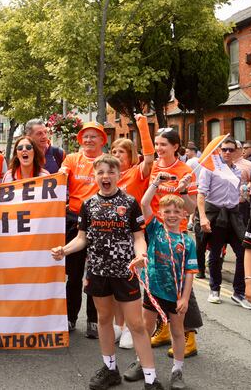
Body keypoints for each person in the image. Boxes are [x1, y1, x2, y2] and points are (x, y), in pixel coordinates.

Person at [51, 155, 162, 390]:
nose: (105, 177)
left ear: (118, 175)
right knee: (103, 319)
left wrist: (141, 255)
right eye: (101, 172)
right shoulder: (88, 205)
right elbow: (81, 239)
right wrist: (65, 250)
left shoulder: (130, 203)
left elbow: (139, 238)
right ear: (94, 176)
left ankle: (151, 380)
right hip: (98, 271)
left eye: (110, 172)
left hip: (125, 273)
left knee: (136, 325)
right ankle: (110, 369)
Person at [124, 180, 198, 389]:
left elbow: (190, 273)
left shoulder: (188, 242)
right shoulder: (155, 228)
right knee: (145, 328)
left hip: (175, 295)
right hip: (153, 290)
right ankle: (141, 363)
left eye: (177, 211)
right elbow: (145, 202)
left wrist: (184, 298)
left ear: (184, 215)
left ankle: (177, 371)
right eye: (167, 211)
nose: (172, 215)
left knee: (177, 331)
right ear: (160, 213)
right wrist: (156, 183)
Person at [146, 127, 201, 359]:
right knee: (158, 281)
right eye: (156, 144)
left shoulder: (186, 170)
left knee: (180, 285)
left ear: (175, 147)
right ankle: (165, 326)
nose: (158, 149)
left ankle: (189, 336)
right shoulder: (155, 168)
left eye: (163, 145)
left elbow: (191, 208)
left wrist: (186, 190)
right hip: (156, 233)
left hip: (177, 235)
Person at [108, 115, 154, 349]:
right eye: (114, 152)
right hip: (111, 236)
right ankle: (118, 325)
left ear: (131, 156)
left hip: (133, 235)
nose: (116, 156)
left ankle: (130, 328)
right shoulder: (109, 176)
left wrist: (143, 125)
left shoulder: (138, 172)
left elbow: (149, 157)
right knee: (116, 282)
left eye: (121, 152)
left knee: (131, 284)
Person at [59, 121, 106, 338]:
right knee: (75, 274)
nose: (88, 140)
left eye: (93, 136)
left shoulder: (106, 161)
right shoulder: (71, 158)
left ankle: (94, 320)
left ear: (102, 140)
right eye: (85, 136)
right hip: (74, 218)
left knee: (96, 273)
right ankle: (70, 317)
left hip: (100, 219)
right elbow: (60, 178)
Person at [197, 138, 251, 309]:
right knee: (216, 254)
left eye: (231, 149)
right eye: (224, 150)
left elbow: (237, 194)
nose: (227, 153)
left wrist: (245, 195)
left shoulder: (237, 171)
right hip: (216, 215)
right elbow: (201, 195)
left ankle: (239, 292)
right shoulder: (210, 169)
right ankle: (214, 290)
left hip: (233, 216)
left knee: (243, 252)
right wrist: (203, 217)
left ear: (237, 151)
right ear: (219, 151)